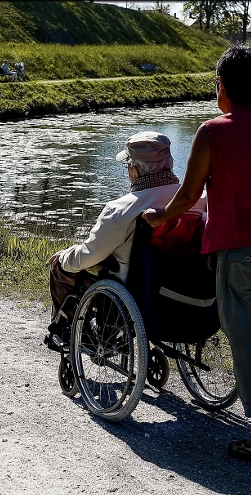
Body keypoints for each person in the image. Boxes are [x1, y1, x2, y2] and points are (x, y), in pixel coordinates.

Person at [143, 43, 251, 467]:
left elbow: (189, 194)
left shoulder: (212, 131)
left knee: (250, 336)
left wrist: (160, 216)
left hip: (245, 249)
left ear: (221, 86)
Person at [44, 131, 207, 351]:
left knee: (62, 266)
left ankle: (68, 331)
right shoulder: (200, 200)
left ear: (135, 170)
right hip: (185, 286)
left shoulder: (122, 209)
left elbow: (90, 255)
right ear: (168, 164)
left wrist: (63, 257)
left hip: (136, 290)